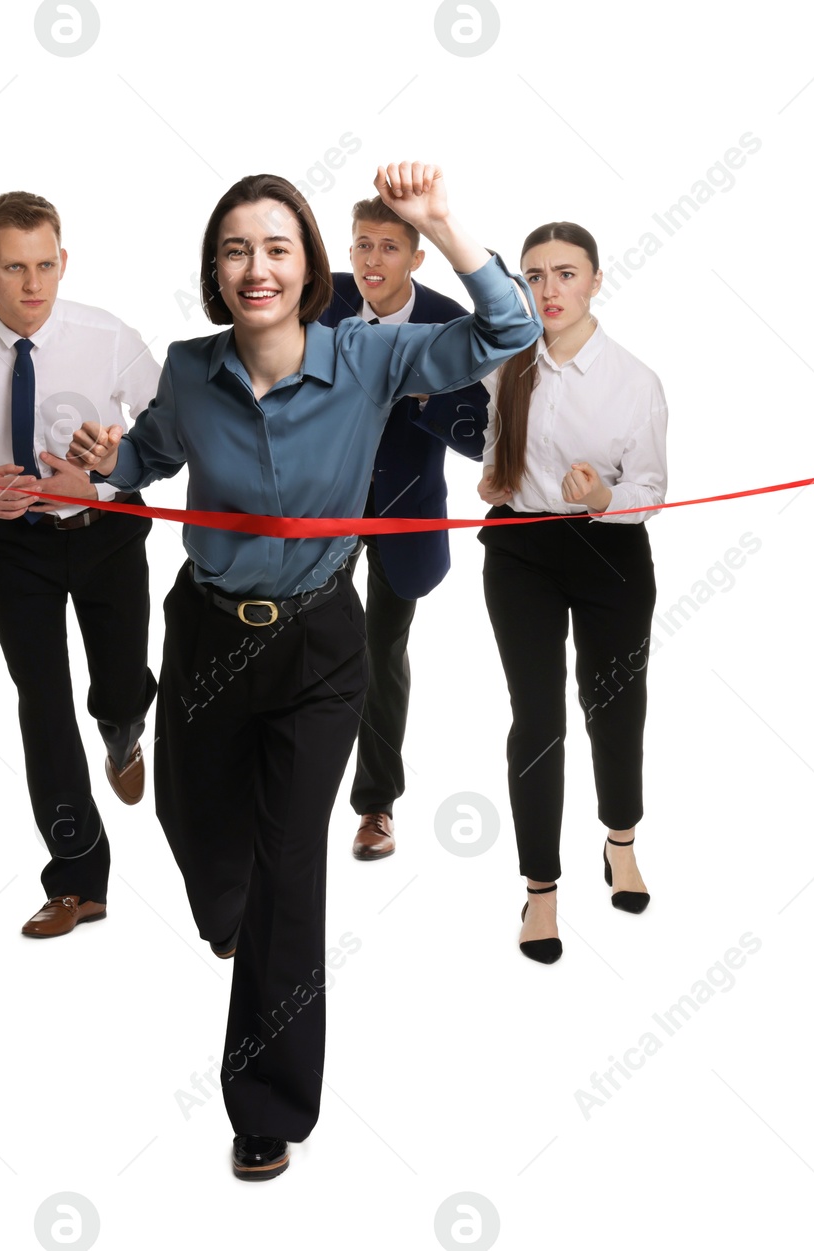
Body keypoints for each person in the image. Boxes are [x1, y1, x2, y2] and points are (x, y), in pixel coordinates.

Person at [73, 163, 537, 1180]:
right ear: (214, 268)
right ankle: (227, 912)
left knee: (292, 869)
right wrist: (101, 459)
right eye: (236, 248)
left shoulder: (369, 356)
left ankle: (266, 1106)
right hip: (205, 635)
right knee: (192, 823)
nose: (257, 267)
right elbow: (144, 455)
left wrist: (442, 228)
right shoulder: (191, 369)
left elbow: (506, 335)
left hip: (319, 643)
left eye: (277, 247)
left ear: (307, 266)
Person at [0, 192, 161, 938]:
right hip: (14, 547)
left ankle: (121, 727)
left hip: (109, 528)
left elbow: (172, 427)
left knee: (117, 679)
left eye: (46, 264)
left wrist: (110, 474)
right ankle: (78, 879)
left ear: (64, 261)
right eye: (14, 267)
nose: (32, 284)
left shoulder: (107, 335)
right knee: (40, 705)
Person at [476, 221, 669, 964]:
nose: (548, 290)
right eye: (534, 276)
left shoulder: (635, 381)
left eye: (564, 274)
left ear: (594, 280)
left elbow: (652, 486)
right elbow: (498, 455)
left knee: (615, 706)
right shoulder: (508, 365)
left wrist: (604, 494)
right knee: (537, 719)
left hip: (610, 550)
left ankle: (620, 841)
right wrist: (495, 478)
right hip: (520, 550)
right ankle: (541, 889)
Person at [317, 196, 490, 860]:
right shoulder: (319, 299)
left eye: (389, 247)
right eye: (362, 244)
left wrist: (423, 393)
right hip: (322, 507)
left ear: (417, 257)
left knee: (380, 650)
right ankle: (291, 792)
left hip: (405, 511)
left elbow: (481, 439)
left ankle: (376, 805)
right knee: (312, 645)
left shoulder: (451, 324)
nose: (371, 260)